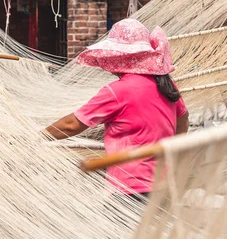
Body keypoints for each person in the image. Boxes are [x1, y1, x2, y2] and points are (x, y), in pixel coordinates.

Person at [43, 19, 189, 198]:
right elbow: (183, 119)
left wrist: (37, 137)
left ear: (121, 57)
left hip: (131, 187)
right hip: (165, 185)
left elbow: (72, 124)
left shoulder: (118, 92)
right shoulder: (167, 85)